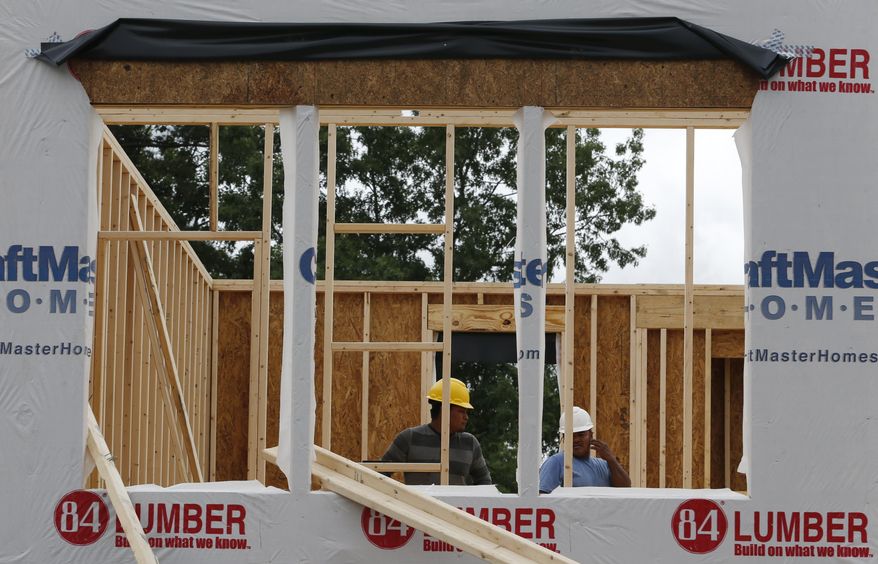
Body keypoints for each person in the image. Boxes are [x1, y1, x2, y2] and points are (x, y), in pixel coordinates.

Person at [381, 377, 492, 486]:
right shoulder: (409, 438)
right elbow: (381, 473)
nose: (466, 417)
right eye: (461, 411)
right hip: (416, 505)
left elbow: (485, 482)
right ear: (444, 410)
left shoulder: (470, 443)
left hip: (453, 506)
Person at [539, 406, 631, 493]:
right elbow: (542, 500)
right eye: (571, 435)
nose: (576, 440)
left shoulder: (603, 465)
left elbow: (626, 489)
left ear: (591, 435)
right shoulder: (556, 463)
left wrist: (611, 460)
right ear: (564, 438)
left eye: (581, 434)